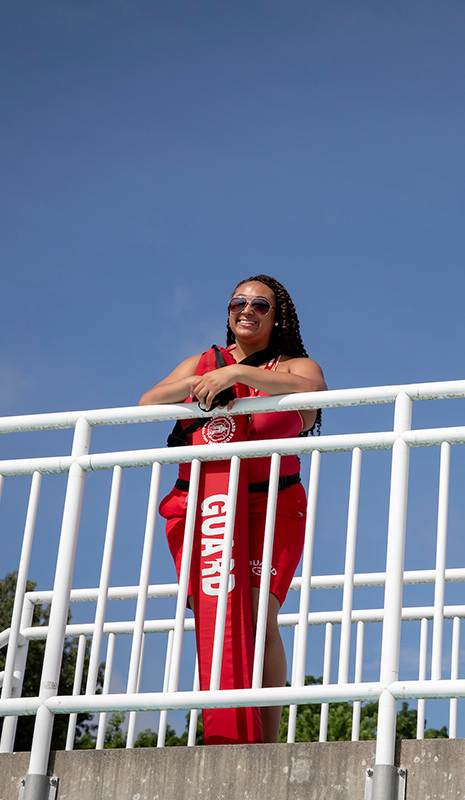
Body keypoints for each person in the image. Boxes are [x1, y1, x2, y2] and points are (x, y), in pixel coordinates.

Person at [139, 275, 326, 743]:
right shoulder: (202, 362)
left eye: (260, 304)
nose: (247, 310)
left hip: (271, 503)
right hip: (202, 502)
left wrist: (240, 375)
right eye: (237, 302)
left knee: (259, 611)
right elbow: (147, 403)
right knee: (215, 612)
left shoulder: (296, 365)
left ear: (276, 315)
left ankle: (263, 742)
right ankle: (224, 731)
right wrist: (204, 381)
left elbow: (313, 400)